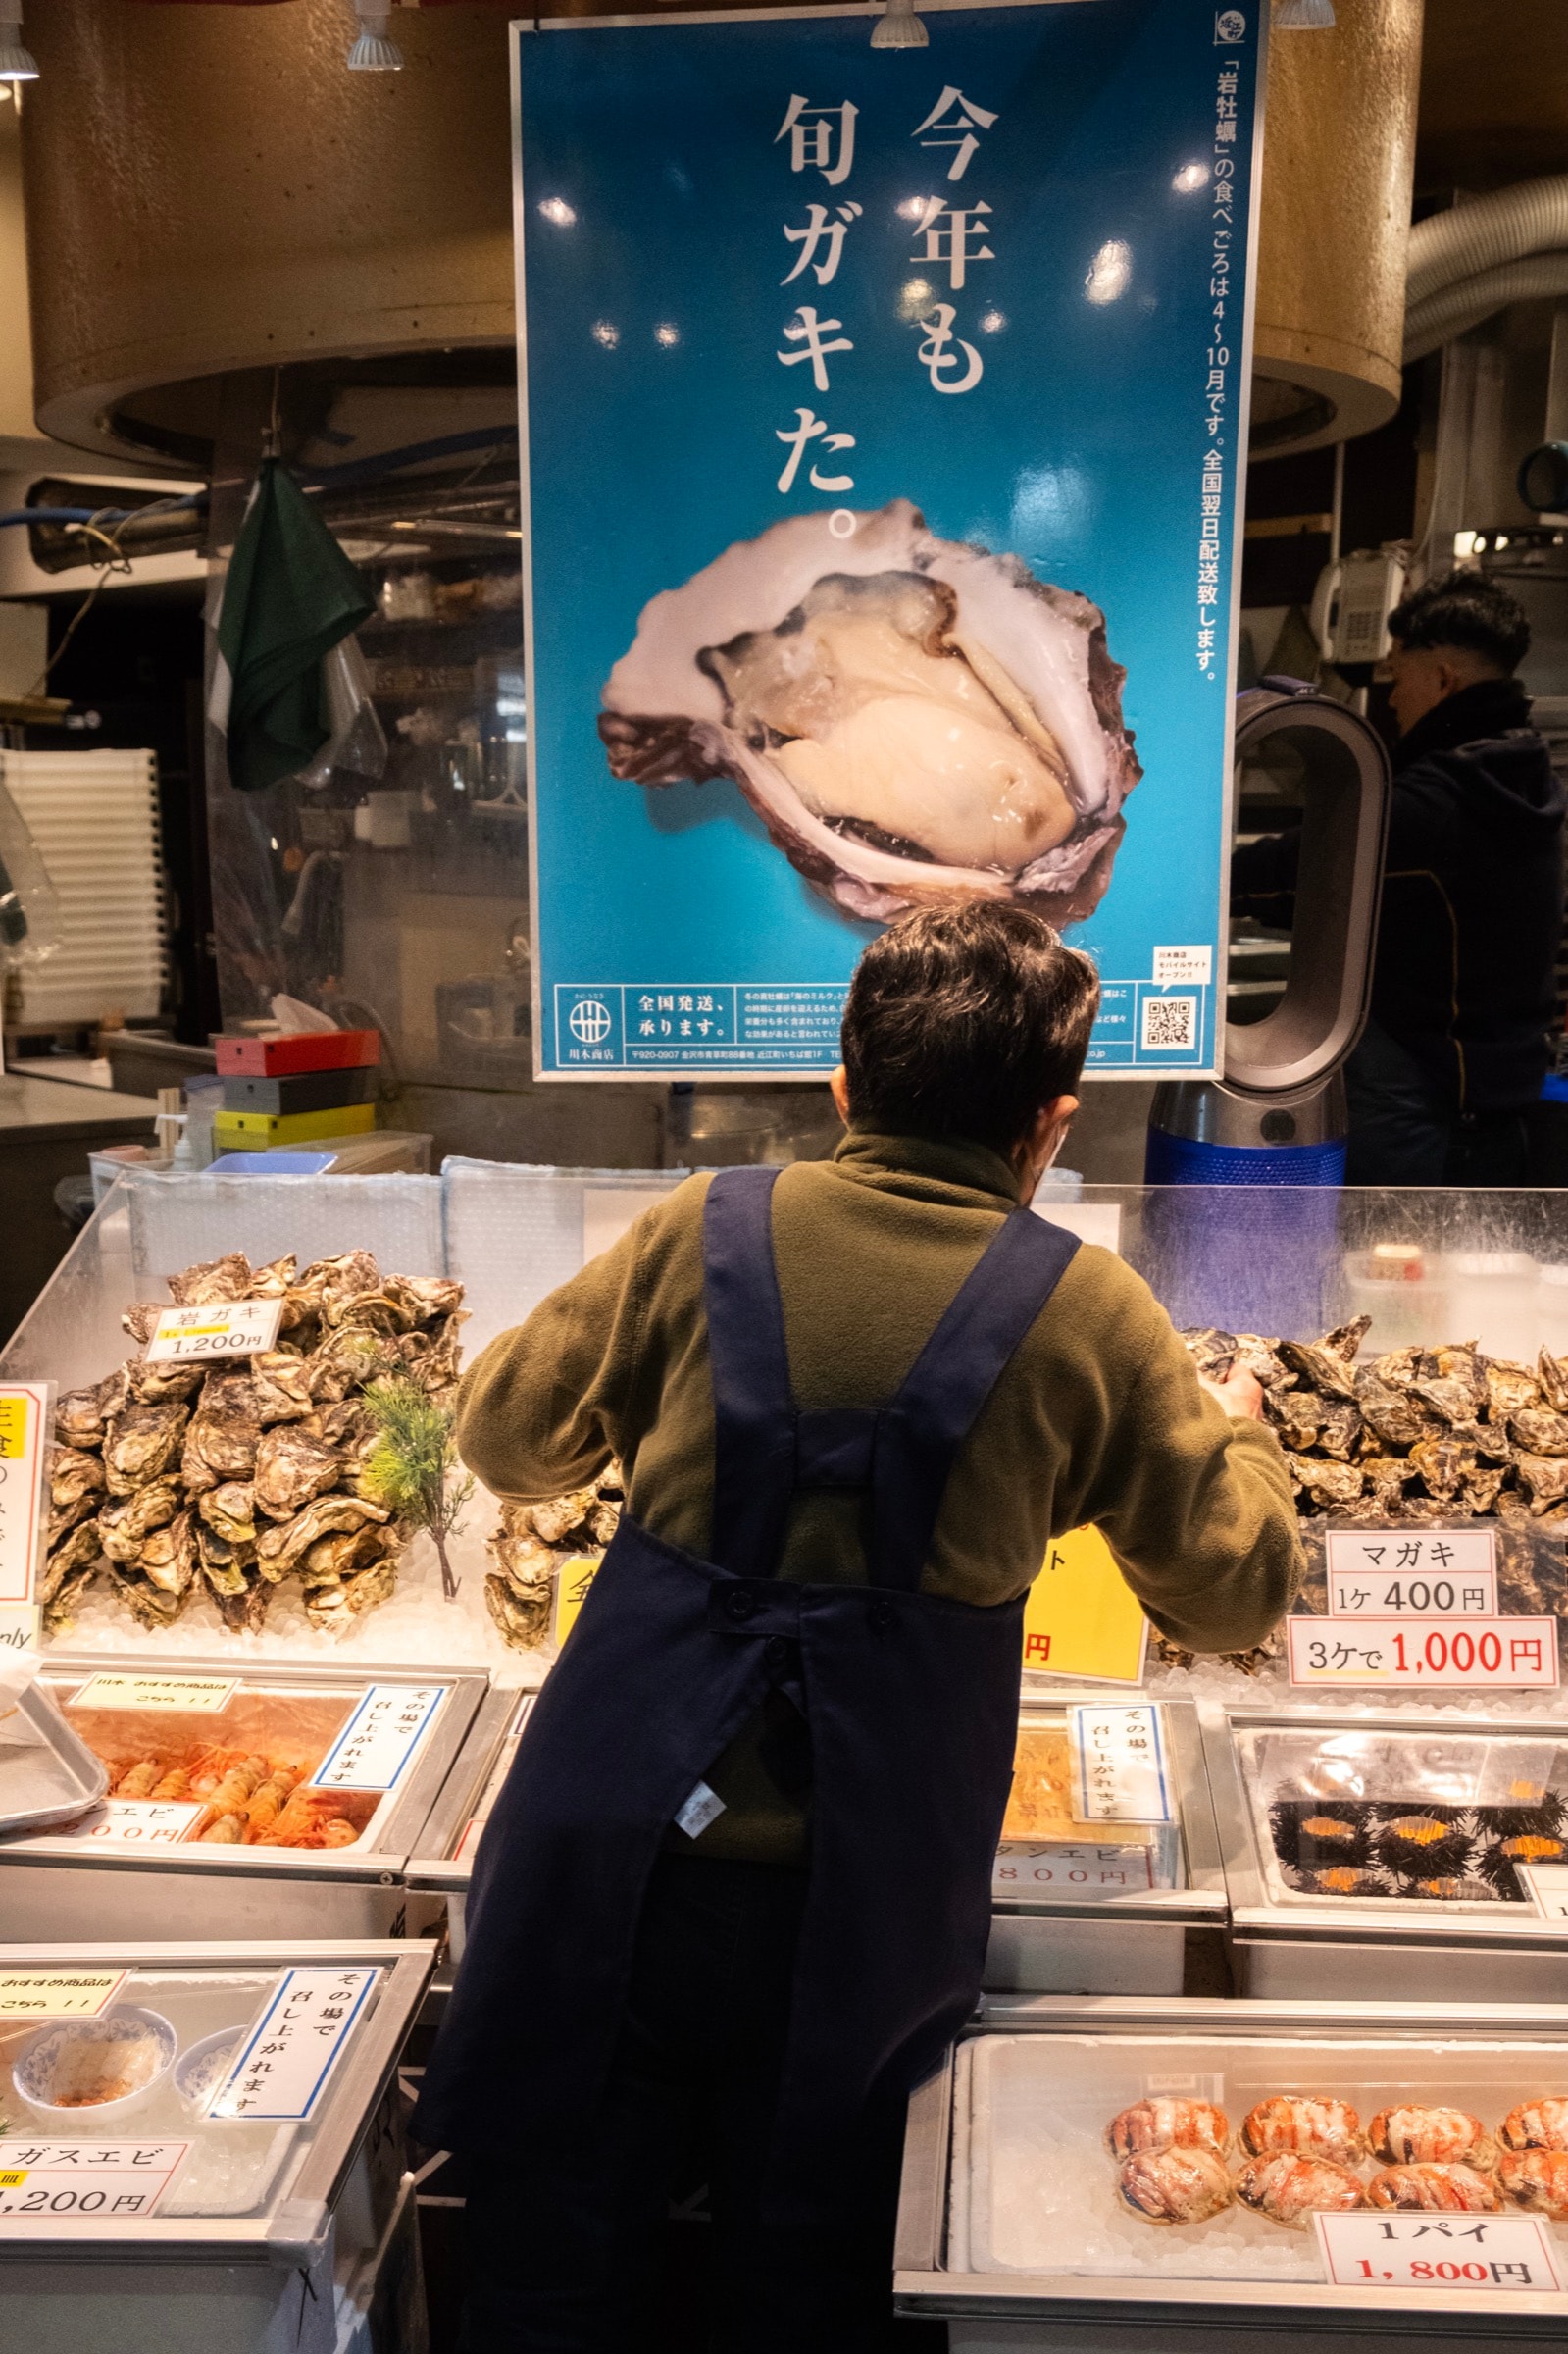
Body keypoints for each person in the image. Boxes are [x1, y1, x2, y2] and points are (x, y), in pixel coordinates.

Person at [414, 901, 1303, 2353]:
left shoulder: (695, 1227)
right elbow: (1233, 1591)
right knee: (810, 2283)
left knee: (550, 2279)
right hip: (858, 1907)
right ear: (1046, 1126)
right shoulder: (1090, 1315)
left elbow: (508, 1446)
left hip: (612, 1864)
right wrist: (1247, 1443)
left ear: (842, 1091)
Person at [1232, 570, 1565, 1185]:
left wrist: (1197, 878)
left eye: (1398, 675)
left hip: (1423, 1107)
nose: (1390, 698)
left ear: (1442, 680)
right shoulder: (1527, 776)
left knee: (1381, 1272)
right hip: (1503, 1102)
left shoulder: (1440, 803)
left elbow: (1310, 870)